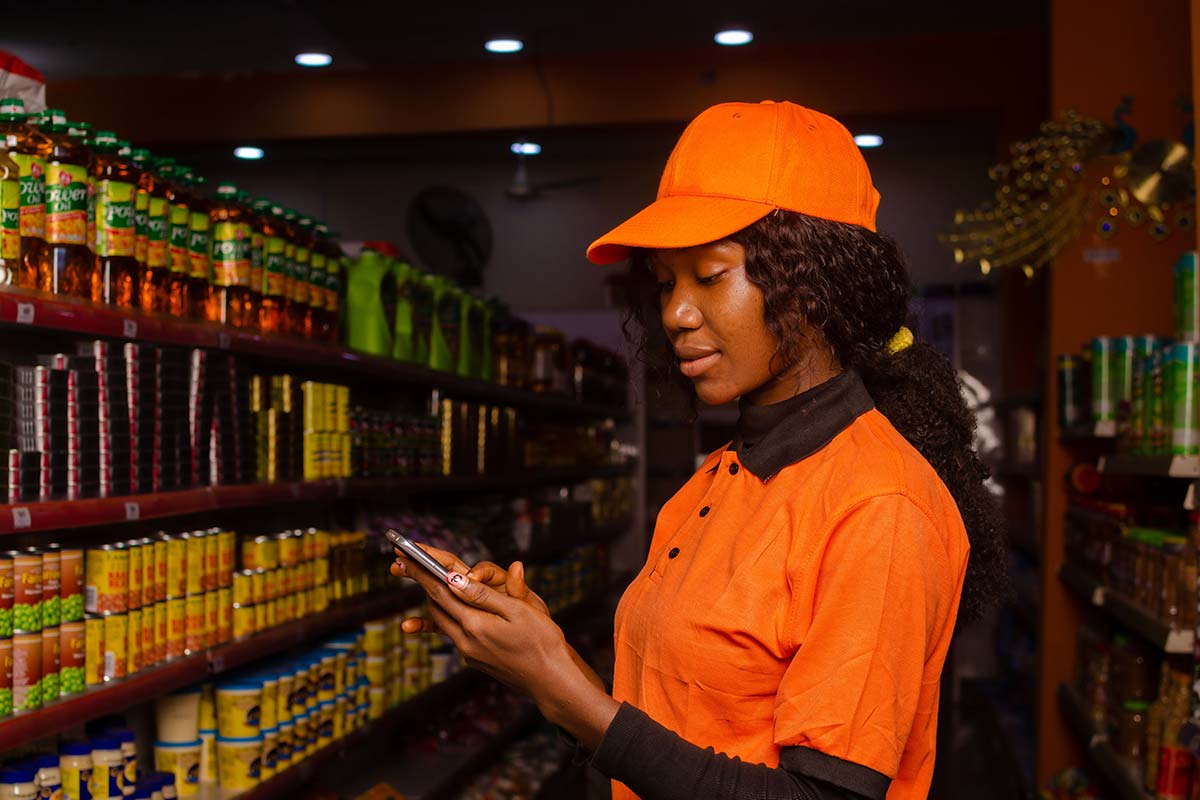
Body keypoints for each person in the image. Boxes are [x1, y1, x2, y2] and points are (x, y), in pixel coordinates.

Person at [391, 100, 1007, 800]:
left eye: (710, 276)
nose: (677, 314)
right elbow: (672, 737)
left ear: (815, 281)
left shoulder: (881, 506)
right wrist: (545, 660)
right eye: (663, 284)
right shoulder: (713, 482)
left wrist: (574, 699)